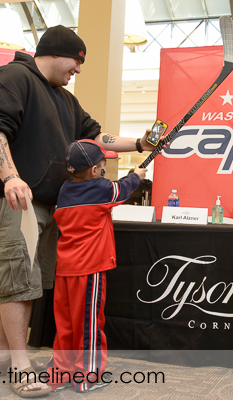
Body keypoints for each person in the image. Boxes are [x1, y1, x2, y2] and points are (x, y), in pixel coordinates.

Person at [0, 26, 157, 397]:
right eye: (76, 61)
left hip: (45, 203)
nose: (78, 70)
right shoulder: (12, 77)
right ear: (54, 53)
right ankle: (21, 366)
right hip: (10, 198)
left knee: (21, 279)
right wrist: (10, 177)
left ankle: (2, 352)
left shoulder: (65, 100)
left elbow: (95, 138)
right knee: (17, 279)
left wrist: (141, 142)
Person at [46, 139, 146, 391]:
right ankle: (87, 376)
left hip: (65, 270)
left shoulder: (65, 190)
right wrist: (137, 175)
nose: (104, 168)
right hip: (89, 271)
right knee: (89, 324)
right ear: (93, 171)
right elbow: (122, 189)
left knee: (66, 324)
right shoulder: (100, 189)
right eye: (103, 165)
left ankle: (60, 372)